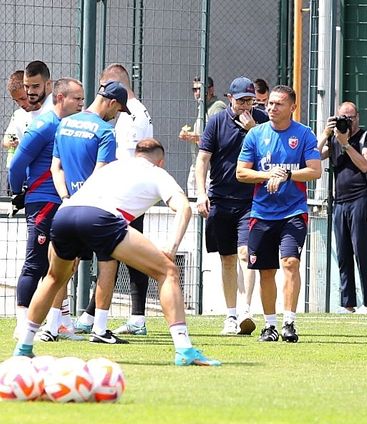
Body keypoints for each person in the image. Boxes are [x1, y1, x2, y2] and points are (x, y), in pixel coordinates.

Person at [13, 138, 220, 366]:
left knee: (53, 278)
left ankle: (23, 347)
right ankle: (185, 350)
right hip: (101, 218)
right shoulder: (157, 173)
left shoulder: (112, 166)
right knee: (168, 271)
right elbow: (184, 207)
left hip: (65, 214)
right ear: (160, 161)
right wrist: (171, 247)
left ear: (136, 154)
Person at [74, 64, 155, 337]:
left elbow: (127, 157)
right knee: (121, 251)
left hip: (127, 192)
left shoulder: (130, 115)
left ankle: (115, 316)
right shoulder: (134, 111)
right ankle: (107, 314)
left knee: (118, 252)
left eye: (104, 88)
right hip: (129, 191)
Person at [237, 85, 321, 343]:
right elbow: (241, 172)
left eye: (278, 104)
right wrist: (268, 176)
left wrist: (287, 175)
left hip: (293, 212)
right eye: (269, 104)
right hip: (261, 213)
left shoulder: (304, 134)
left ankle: (289, 323)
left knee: (290, 263)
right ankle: (269, 325)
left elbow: (315, 171)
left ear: (292, 107)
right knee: (265, 271)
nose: (271, 108)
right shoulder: (255, 135)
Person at [51, 80, 130, 345]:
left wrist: (65, 197)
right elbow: (101, 173)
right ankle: (100, 328)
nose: (116, 115)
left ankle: (51, 326)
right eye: (118, 110)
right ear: (111, 103)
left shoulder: (65, 123)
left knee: (62, 266)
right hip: (95, 208)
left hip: (68, 205)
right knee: (108, 261)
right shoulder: (105, 131)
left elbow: (56, 168)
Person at [8, 78, 85, 342]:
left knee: (64, 263)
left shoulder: (72, 126)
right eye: (77, 98)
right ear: (61, 98)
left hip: (66, 203)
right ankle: (22, 322)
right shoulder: (44, 125)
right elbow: (17, 163)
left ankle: (60, 321)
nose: (81, 104)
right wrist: (18, 191)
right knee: (36, 262)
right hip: (43, 202)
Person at [196, 76, 268, 335]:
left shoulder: (260, 122)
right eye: (241, 101)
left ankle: (246, 310)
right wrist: (201, 193)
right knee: (226, 259)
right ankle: (230, 315)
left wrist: (252, 130)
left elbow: (271, 153)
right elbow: (203, 159)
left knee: (246, 253)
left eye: (250, 100)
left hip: (251, 200)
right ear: (230, 99)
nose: (246, 106)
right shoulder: (216, 121)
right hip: (221, 199)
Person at [317, 101, 367, 314]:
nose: (347, 122)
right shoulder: (333, 138)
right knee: (343, 253)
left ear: (358, 117)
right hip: (339, 201)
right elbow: (313, 156)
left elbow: (364, 164)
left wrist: (345, 144)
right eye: (343, 118)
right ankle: (348, 303)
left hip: (360, 199)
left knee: (360, 250)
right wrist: (326, 133)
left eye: (350, 118)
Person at [180, 76, 226, 197]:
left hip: (210, 166)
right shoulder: (202, 107)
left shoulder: (217, 106)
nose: (197, 93)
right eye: (194, 90)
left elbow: (218, 137)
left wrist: (194, 137)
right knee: (195, 206)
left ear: (211, 89)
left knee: (207, 206)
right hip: (197, 164)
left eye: (200, 89)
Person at [3, 70, 37, 194]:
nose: (21, 104)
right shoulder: (18, 115)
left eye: (23, 98)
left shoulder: (44, 113)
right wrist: (12, 142)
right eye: (16, 101)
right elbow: (6, 140)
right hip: (18, 169)